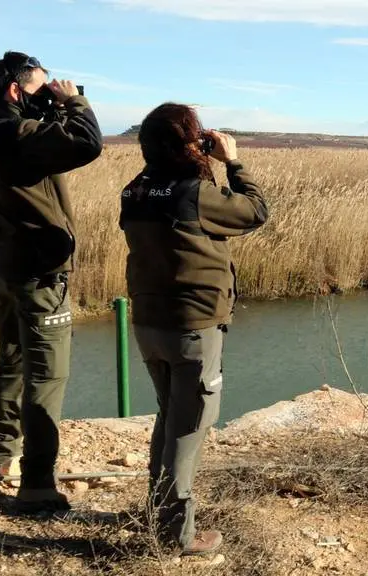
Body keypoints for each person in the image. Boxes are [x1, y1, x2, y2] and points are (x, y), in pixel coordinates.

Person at [118, 103, 268, 556]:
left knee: (169, 416)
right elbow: (255, 212)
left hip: (149, 324)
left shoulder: (135, 190)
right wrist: (233, 161)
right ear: (189, 142)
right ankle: (176, 537)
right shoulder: (194, 192)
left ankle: (156, 512)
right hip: (193, 326)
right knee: (189, 427)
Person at [0, 50, 103, 512]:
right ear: (14, 90)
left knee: (11, 357)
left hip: (1, 264)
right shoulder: (20, 133)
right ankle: (38, 482)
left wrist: (48, 104)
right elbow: (87, 144)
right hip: (37, 271)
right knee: (47, 373)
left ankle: (4, 455)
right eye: (42, 88)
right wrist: (74, 105)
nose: (51, 95)